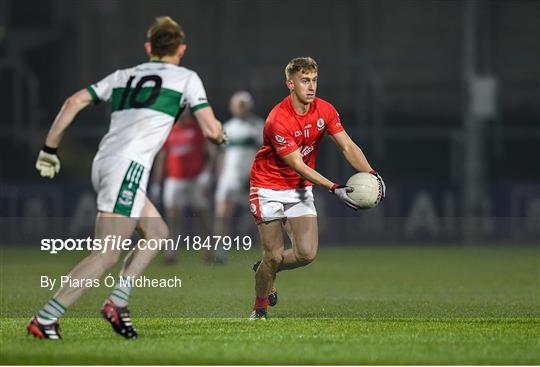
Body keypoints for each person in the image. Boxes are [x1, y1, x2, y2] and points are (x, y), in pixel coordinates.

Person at [29, 16, 226, 339]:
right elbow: (210, 129)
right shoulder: (186, 77)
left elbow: (73, 102)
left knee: (158, 232)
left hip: (105, 161)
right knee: (106, 253)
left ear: (149, 48)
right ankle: (47, 317)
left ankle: (117, 302)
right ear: (182, 49)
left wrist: (49, 150)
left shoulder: (124, 75)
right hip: (128, 167)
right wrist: (221, 136)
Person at [248, 57, 385, 320]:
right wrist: (334, 188)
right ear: (290, 84)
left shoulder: (325, 110)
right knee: (274, 255)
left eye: (314, 80)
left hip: (299, 189)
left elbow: (347, 146)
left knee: (307, 254)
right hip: (268, 187)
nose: (311, 87)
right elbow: (298, 165)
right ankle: (260, 308)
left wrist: (371, 174)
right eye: (304, 81)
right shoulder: (278, 119)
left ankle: (264, 267)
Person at [151, 110, 214, 264]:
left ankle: (208, 251)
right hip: (174, 179)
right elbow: (162, 156)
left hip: (195, 178)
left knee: (202, 216)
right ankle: (171, 253)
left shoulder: (197, 128)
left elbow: (210, 152)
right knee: (173, 217)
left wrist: (207, 173)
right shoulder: (169, 130)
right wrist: (156, 182)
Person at [214, 91, 263, 263]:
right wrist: (220, 178)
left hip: (250, 179)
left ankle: (265, 253)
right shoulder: (227, 127)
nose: (240, 108)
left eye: (243, 105)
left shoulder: (258, 126)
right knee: (222, 214)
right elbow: (222, 155)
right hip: (229, 178)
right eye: (238, 105)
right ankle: (221, 252)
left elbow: (262, 155)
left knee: (259, 217)